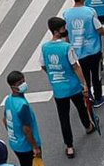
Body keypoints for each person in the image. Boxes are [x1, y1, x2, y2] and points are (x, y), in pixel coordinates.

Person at [40, 17, 94, 157]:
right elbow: (75, 67)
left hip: (58, 89)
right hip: (73, 86)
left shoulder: (45, 48)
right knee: (81, 108)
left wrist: (53, 75)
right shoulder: (66, 47)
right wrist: (84, 84)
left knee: (63, 117)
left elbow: (43, 65)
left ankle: (69, 146)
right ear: (57, 31)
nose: (66, 30)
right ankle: (88, 126)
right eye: (63, 28)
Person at [3, 70, 52, 166]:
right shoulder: (22, 105)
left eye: (23, 81)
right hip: (27, 145)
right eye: (19, 83)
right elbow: (27, 129)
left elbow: (5, 120)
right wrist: (35, 147)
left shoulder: (8, 101)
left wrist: (13, 135)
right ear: (13, 87)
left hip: (16, 143)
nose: (23, 85)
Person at [63, 0, 104, 105]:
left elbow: (67, 34)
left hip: (78, 52)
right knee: (96, 75)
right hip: (93, 50)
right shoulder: (90, 12)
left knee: (85, 76)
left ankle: (90, 97)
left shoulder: (66, 14)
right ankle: (98, 98)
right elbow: (99, 28)